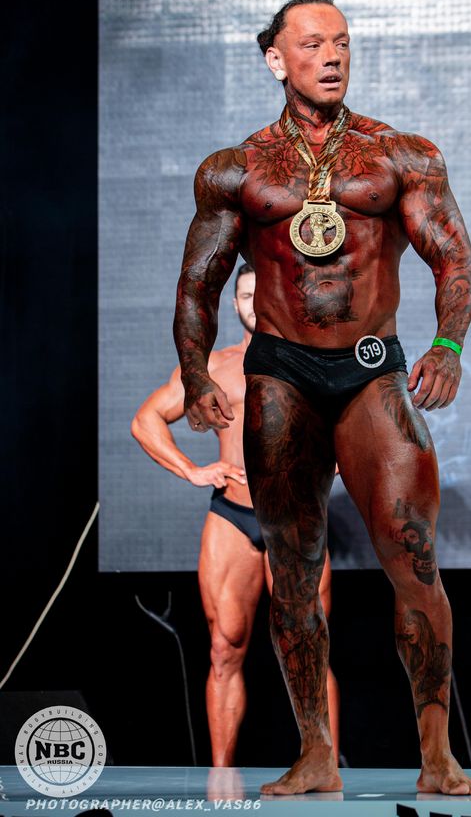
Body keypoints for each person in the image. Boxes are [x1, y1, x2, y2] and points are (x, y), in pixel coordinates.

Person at [173, 0, 471, 796]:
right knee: (291, 570)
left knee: (413, 560)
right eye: (312, 44)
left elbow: (453, 259)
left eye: (341, 42)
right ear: (276, 59)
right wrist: (196, 372)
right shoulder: (235, 169)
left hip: (370, 371)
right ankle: (315, 753)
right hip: (281, 375)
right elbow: (199, 282)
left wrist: (448, 345)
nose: (332, 55)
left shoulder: (399, 154)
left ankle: (436, 757)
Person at [131, 263, 341, 766]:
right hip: (232, 516)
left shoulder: (314, 361)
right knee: (224, 648)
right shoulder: (216, 368)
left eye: (261, 293)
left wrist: (336, 458)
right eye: (245, 295)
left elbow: (355, 421)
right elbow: (146, 420)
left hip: (294, 519)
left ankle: (325, 769)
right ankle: (221, 778)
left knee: (309, 649)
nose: (254, 303)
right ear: (236, 304)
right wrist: (192, 469)